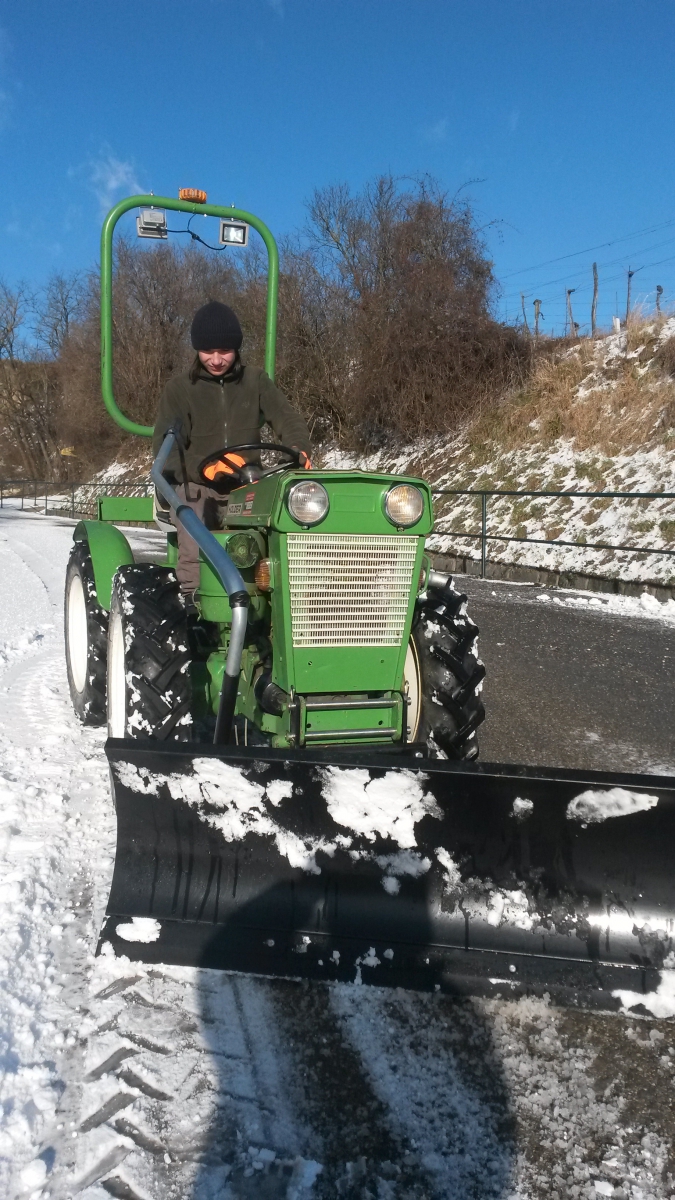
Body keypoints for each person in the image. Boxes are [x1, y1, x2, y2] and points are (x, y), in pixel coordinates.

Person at [153, 300, 312, 597]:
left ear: (236, 348)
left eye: (224, 351)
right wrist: (205, 466)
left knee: (294, 509)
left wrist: (298, 447)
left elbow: (286, 417)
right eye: (207, 351)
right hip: (198, 485)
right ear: (196, 349)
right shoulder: (180, 390)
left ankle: (287, 594)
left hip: (247, 483)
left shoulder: (255, 381)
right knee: (192, 507)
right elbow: (167, 450)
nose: (216, 359)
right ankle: (195, 597)